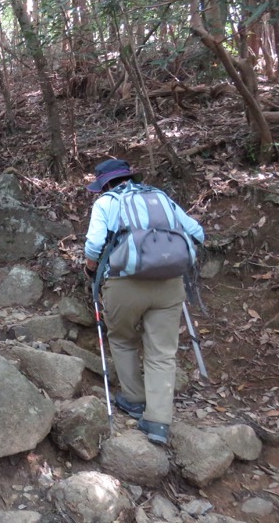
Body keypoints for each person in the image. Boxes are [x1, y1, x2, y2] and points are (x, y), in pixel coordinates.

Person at [83, 159, 205, 446]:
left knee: (123, 339)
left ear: (105, 184)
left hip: (125, 285)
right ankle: (158, 422)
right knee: (162, 352)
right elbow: (197, 232)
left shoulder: (106, 203)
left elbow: (93, 245)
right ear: (129, 177)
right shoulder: (160, 197)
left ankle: (135, 399)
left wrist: (90, 269)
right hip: (170, 285)